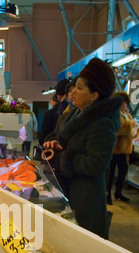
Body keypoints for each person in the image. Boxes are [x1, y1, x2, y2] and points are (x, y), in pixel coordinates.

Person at [43, 58, 124, 239]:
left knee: (82, 245)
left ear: (94, 95)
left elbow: (96, 164)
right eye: (74, 88)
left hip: (85, 198)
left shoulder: (103, 123)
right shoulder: (78, 113)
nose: (73, 93)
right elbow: (64, 137)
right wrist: (55, 144)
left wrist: (62, 158)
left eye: (80, 88)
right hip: (69, 189)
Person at [107, 91, 139, 204]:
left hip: (125, 149)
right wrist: (131, 126)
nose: (124, 105)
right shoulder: (113, 114)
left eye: (125, 103)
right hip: (114, 149)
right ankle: (107, 195)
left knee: (123, 172)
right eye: (122, 103)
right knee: (110, 173)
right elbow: (118, 129)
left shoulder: (127, 114)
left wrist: (134, 130)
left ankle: (118, 192)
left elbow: (132, 131)